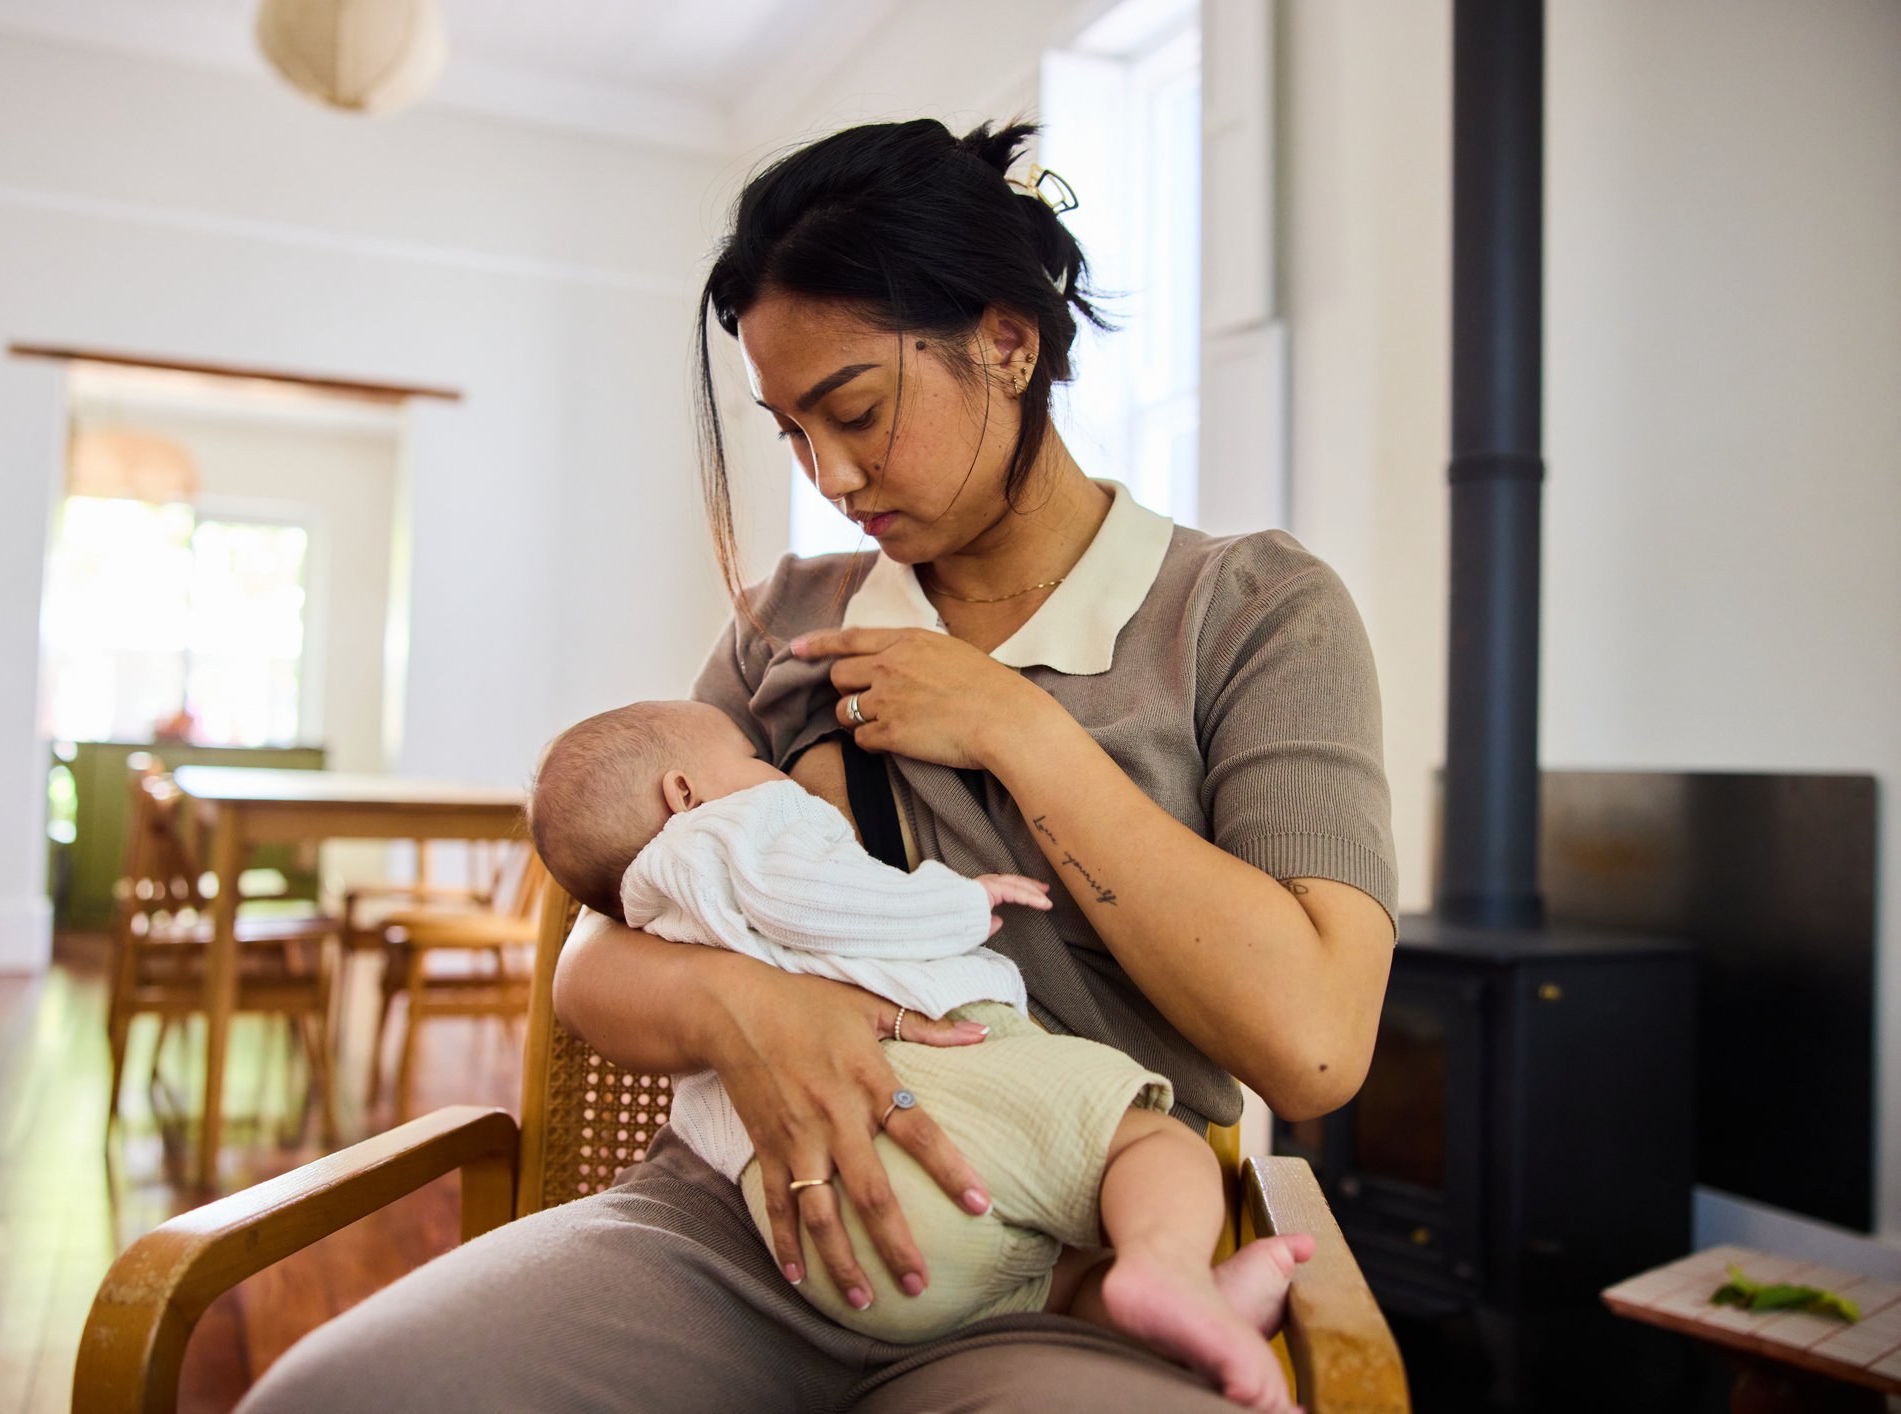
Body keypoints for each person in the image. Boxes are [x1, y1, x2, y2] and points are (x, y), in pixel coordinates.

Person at [242, 116, 1398, 1414]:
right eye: (793, 431)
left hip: (1055, 1277)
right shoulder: (784, 623)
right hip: (731, 1231)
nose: (831, 475)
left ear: (1008, 340)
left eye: (855, 409)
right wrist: (752, 1011)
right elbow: (597, 958)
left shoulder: (1250, 612)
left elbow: (1312, 1046)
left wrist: (1018, 730)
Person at [524, 698, 1310, 1411]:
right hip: (930, 1079)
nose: (772, 770)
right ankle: (1167, 1270)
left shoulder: (652, 910)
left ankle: (1138, 1307)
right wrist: (959, 902)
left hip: (820, 1236)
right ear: (684, 794)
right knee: (1147, 1141)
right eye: (752, 755)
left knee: (1037, 1283)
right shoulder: (731, 828)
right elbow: (821, 899)